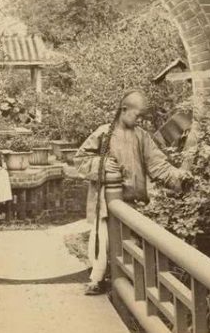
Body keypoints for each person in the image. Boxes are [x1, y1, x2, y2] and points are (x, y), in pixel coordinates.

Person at [74, 90, 192, 295]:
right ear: (124, 109)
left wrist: (180, 178)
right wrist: (101, 163)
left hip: (134, 202)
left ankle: (130, 286)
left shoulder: (141, 136)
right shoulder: (104, 133)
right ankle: (97, 279)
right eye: (138, 115)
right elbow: (80, 160)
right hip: (106, 202)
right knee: (103, 240)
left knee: (133, 244)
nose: (140, 120)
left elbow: (158, 165)